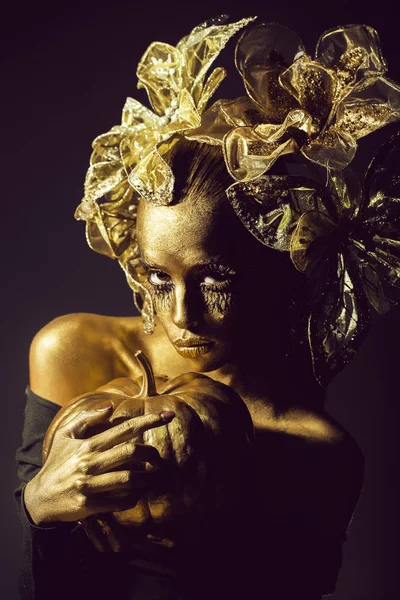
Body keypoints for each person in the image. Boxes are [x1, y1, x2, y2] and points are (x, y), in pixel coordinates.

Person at [15, 16, 400, 600]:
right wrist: (40, 505)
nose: (182, 315)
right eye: (157, 278)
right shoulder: (73, 355)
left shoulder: (313, 448)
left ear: (279, 270)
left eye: (215, 280)